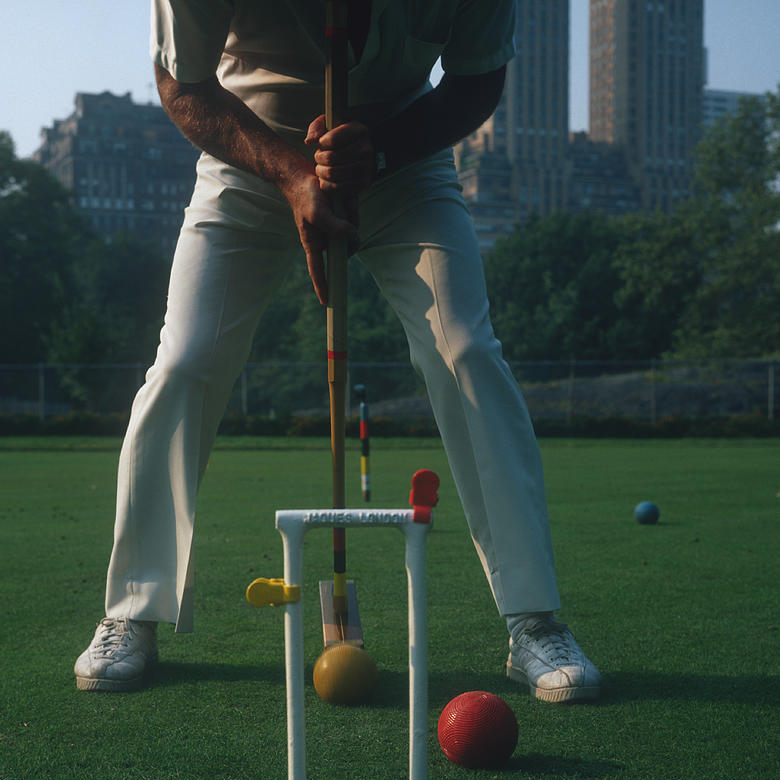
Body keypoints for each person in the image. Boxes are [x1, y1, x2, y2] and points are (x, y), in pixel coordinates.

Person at [74, 0, 601, 703]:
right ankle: (132, 611)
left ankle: (534, 619)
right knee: (185, 360)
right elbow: (183, 87)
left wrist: (376, 149)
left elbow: (477, 80)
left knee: (466, 350)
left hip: (401, 161)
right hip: (250, 156)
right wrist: (295, 174)